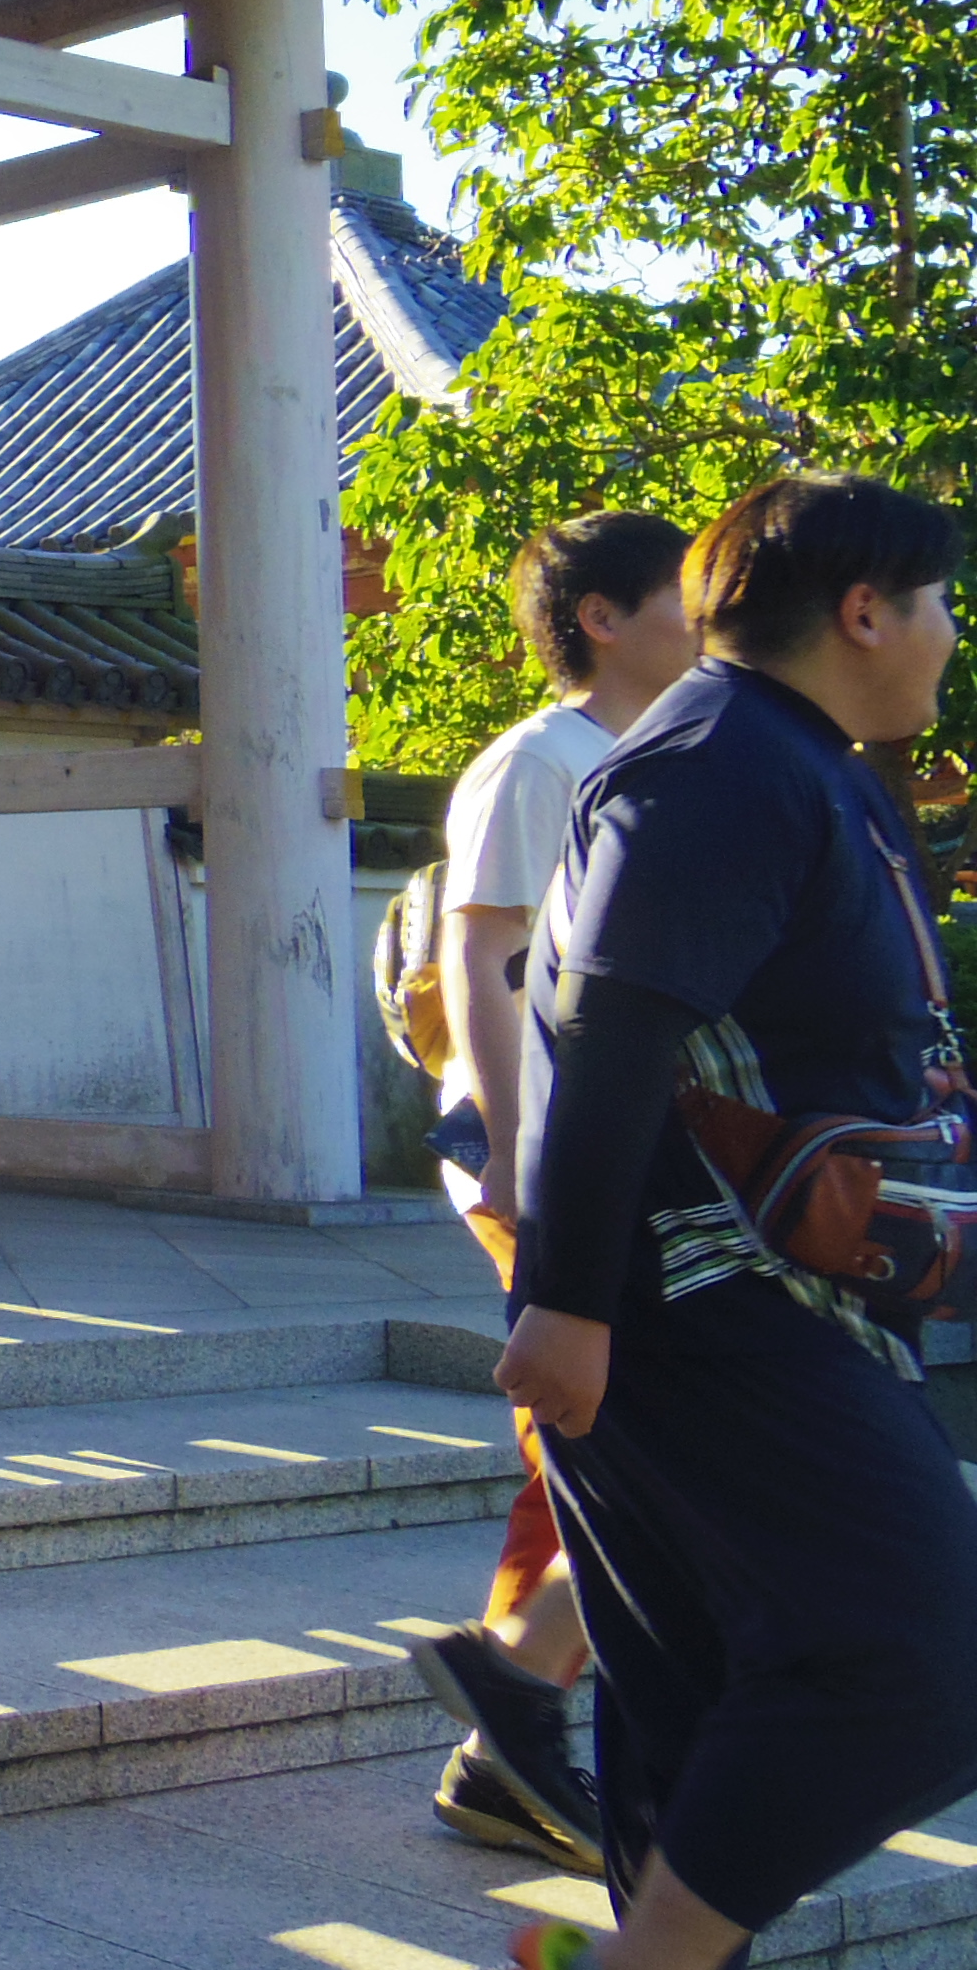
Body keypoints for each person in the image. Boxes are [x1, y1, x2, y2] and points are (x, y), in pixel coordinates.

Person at [491, 475, 977, 1970]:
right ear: (863, 610)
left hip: (754, 1298)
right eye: (943, 602)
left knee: (694, 1685)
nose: (952, 635)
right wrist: (564, 1299)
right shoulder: (718, 759)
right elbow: (616, 1026)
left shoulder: (792, 756)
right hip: (703, 1301)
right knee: (931, 1654)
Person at [410, 511, 693, 1876]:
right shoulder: (543, 758)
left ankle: (516, 1716)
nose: (703, 614)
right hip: (541, 1149)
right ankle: (519, 1714)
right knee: (610, 1437)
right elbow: (481, 950)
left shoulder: (663, 756)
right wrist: (518, 1150)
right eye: (681, 595)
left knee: (603, 1440)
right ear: (602, 617)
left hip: (632, 1151)